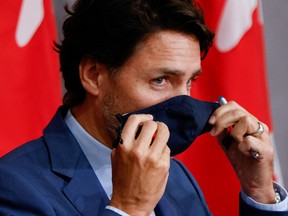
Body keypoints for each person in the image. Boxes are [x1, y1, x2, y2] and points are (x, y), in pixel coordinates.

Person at [0, 0, 287, 215]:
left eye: (189, 82)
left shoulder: (176, 176)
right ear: (93, 75)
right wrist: (129, 208)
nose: (183, 103)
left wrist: (259, 191)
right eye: (160, 80)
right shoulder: (13, 186)